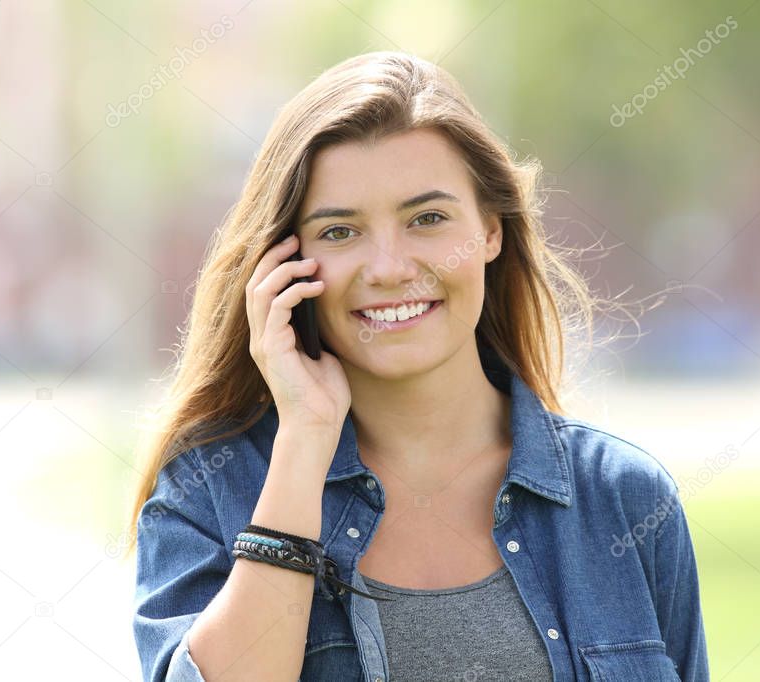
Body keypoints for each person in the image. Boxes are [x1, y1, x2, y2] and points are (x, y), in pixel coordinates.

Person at [129, 51, 709, 682]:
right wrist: (304, 439)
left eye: (427, 219)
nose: (388, 267)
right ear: (282, 268)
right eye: (339, 232)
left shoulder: (625, 499)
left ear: (491, 230)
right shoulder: (208, 490)